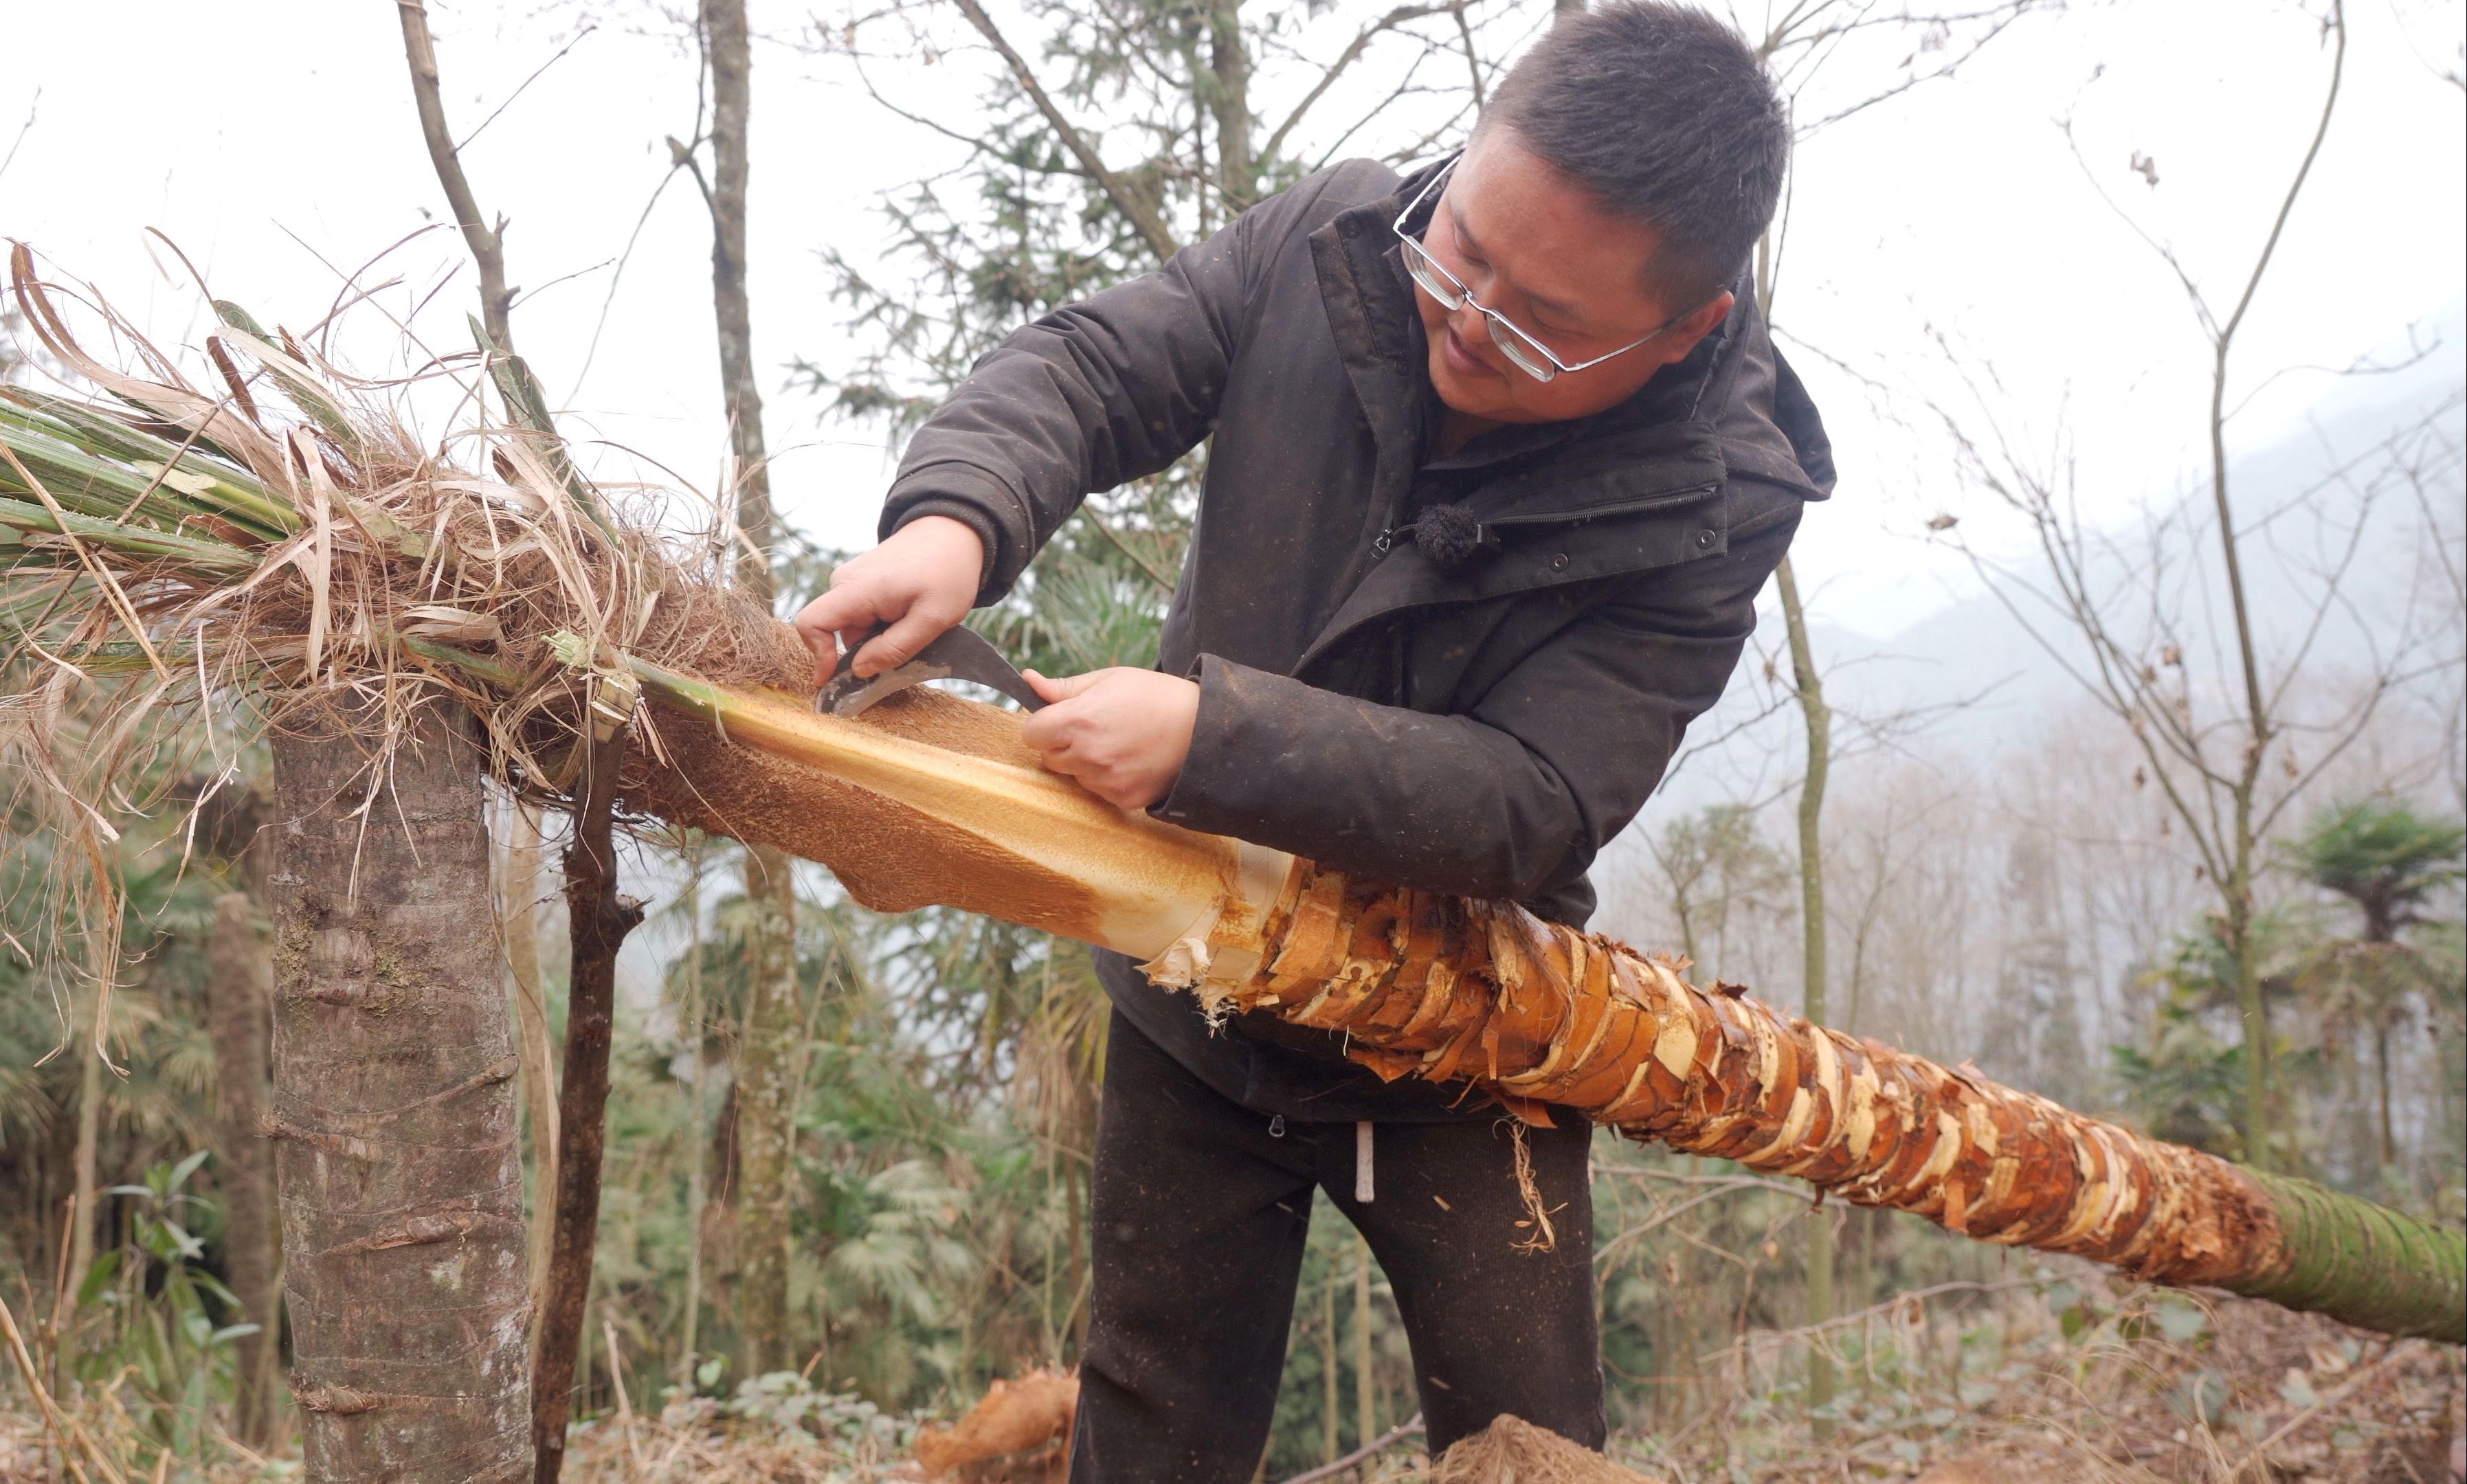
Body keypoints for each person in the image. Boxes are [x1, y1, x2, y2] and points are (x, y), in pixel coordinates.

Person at [794, 3, 1831, 1476]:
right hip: (1193, 979)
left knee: (1530, 1448)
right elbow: (1090, 370)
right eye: (1463, 251)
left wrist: (1219, 740)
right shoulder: (1337, 236)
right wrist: (955, 519)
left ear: (1688, 329)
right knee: (1152, 1421)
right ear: (1464, 157)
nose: (1466, 322)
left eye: (1544, 324)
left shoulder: (1722, 496)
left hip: (1470, 1025)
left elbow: (1535, 797)